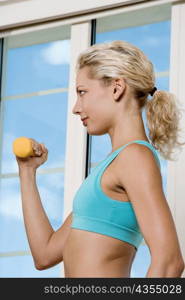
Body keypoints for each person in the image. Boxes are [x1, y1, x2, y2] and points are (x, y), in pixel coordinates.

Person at [15, 40, 185, 278]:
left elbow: (169, 263)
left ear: (117, 88)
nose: (76, 107)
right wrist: (27, 171)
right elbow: (44, 255)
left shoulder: (134, 157)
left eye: (82, 92)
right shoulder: (111, 168)